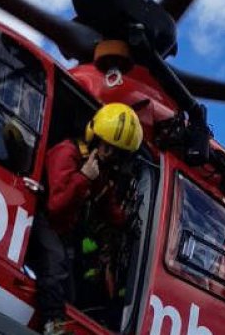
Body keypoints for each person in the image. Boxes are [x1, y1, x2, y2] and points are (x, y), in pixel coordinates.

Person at [28, 103, 143, 335]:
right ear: (95, 136)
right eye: (107, 148)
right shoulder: (67, 152)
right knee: (55, 264)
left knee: (70, 291)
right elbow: (55, 206)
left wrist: (127, 223)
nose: (109, 155)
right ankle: (53, 324)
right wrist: (83, 177)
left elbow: (106, 203)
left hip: (64, 231)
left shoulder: (98, 169)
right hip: (45, 220)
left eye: (116, 152)